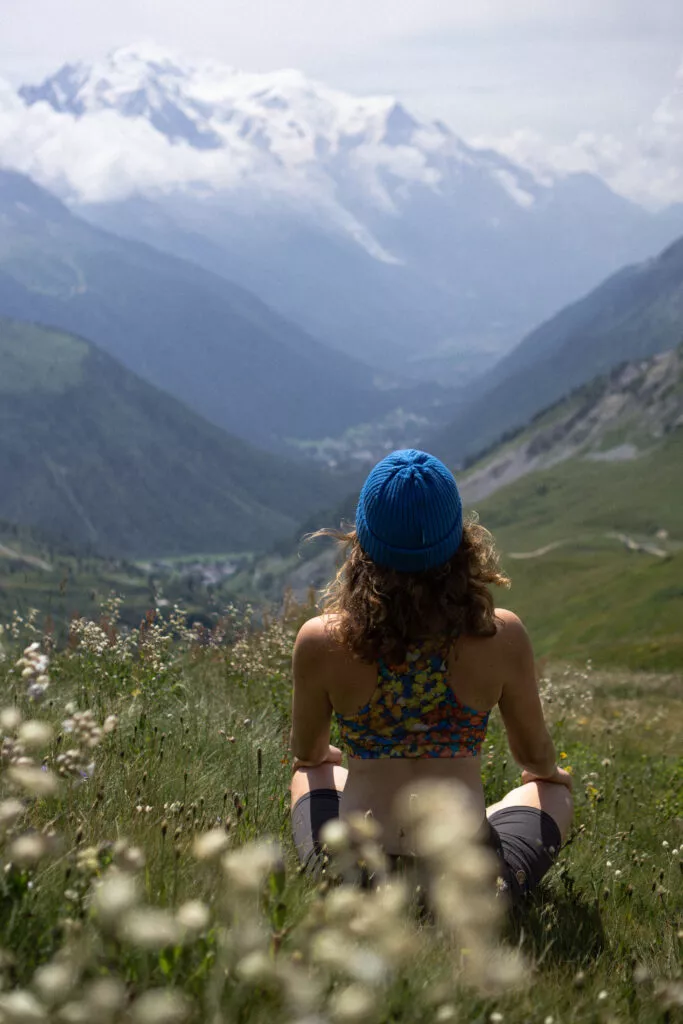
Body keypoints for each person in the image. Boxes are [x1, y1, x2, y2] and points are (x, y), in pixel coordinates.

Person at [290, 449, 573, 902]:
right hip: (465, 882)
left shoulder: (321, 639)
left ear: (361, 541)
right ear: (459, 541)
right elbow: (534, 759)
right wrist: (550, 775)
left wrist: (346, 759)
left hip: (357, 876)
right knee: (550, 791)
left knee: (313, 772)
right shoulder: (502, 635)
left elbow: (307, 752)